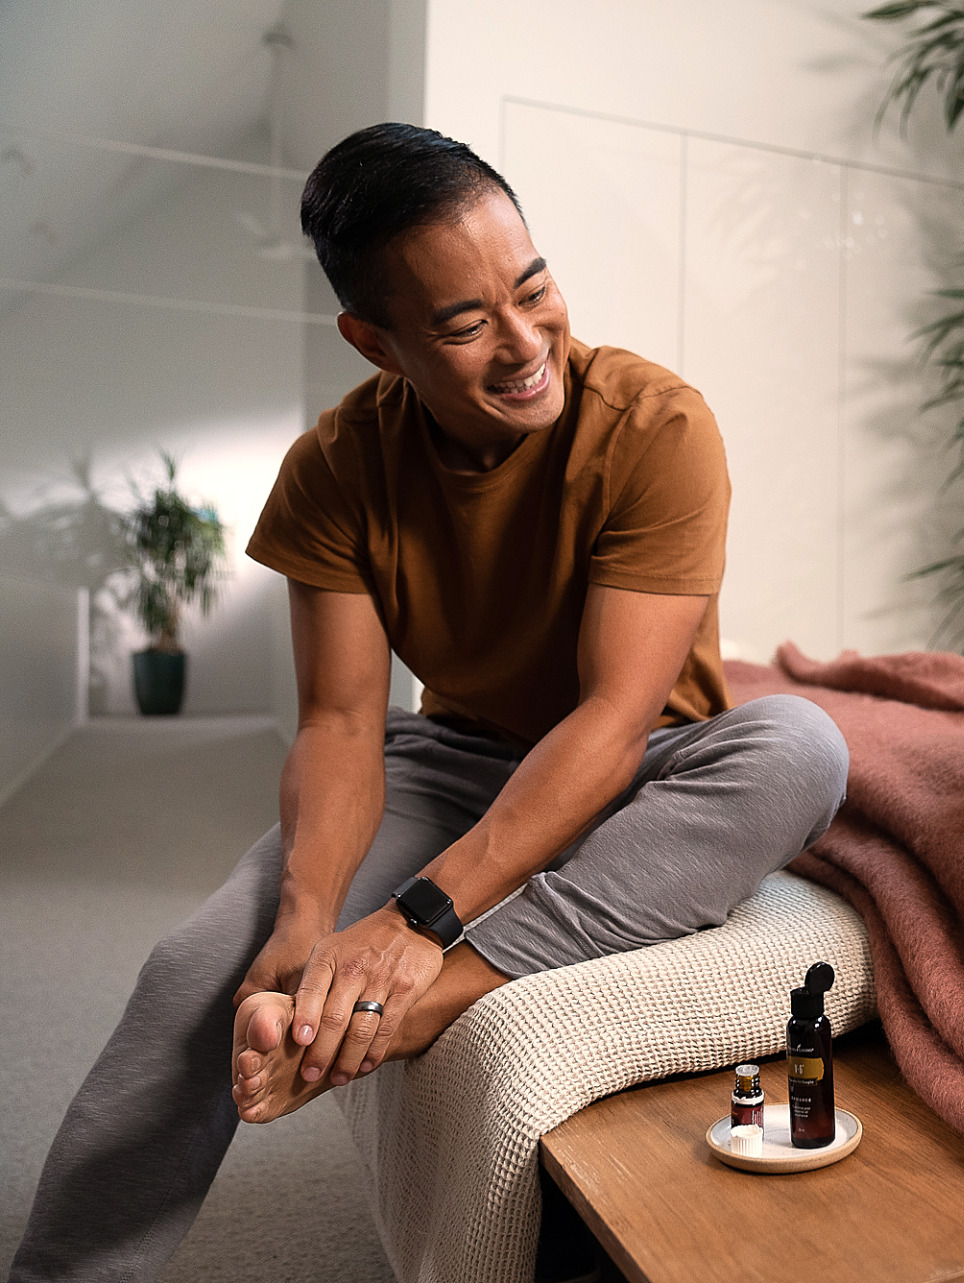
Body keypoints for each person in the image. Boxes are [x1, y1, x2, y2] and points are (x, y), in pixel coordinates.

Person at [10, 123, 849, 1282]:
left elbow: (611, 720)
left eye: (533, 286)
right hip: (454, 761)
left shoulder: (659, 426)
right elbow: (345, 724)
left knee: (800, 744)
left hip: (650, 759)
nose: (523, 344)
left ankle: (430, 1007)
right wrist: (303, 932)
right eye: (463, 325)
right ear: (378, 341)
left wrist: (420, 928)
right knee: (194, 970)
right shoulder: (335, 468)